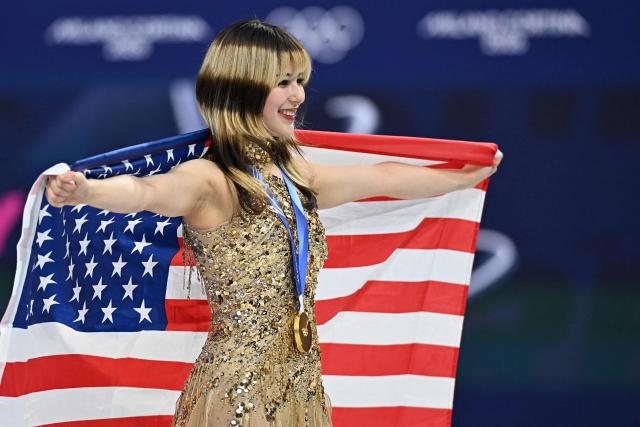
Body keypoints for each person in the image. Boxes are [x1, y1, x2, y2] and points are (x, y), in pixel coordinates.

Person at [45, 18, 502, 427]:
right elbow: (146, 192)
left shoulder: (296, 177)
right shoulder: (209, 179)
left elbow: (381, 177)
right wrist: (88, 192)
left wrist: (461, 175)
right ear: (241, 86)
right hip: (236, 394)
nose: (298, 95)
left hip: (304, 387)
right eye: (283, 81)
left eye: (300, 80)